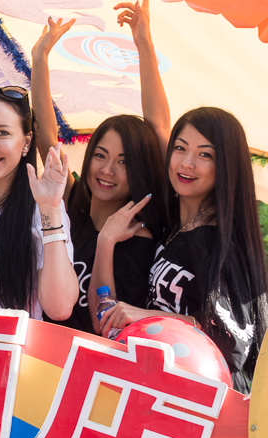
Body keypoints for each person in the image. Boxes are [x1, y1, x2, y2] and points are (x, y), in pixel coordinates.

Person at [97, 108, 268, 393]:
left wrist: (146, 317)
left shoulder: (224, 244)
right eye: (179, 148)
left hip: (203, 402)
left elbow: (232, 339)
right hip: (153, 387)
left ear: (226, 165)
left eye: (205, 155)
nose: (187, 163)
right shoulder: (171, 230)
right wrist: (106, 242)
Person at [31, 0, 169, 332]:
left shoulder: (138, 233)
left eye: (123, 162)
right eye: (101, 156)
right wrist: (40, 58)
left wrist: (144, 44)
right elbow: (48, 140)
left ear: (139, 168)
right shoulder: (70, 203)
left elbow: (159, 131)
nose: (106, 170)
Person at [0, 85, 77, 320]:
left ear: (25, 143)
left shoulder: (40, 209)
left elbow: (60, 308)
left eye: (2, 133)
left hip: (12, 353)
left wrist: (51, 209)